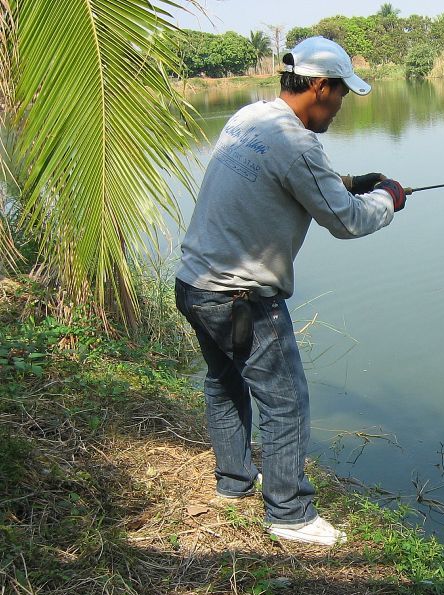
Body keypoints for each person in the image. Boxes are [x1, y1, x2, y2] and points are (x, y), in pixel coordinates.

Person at [174, 36, 408, 546]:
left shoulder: (249, 118)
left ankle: (234, 483)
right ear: (320, 86)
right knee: (285, 400)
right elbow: (346, 223)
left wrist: (347, 179)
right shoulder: (299, 143)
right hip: (241, 298)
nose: (341, 106)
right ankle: (290, 514)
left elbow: (283, 179)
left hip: (193, 284)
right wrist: (388, 197)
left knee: (224, 382)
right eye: (341, 93)